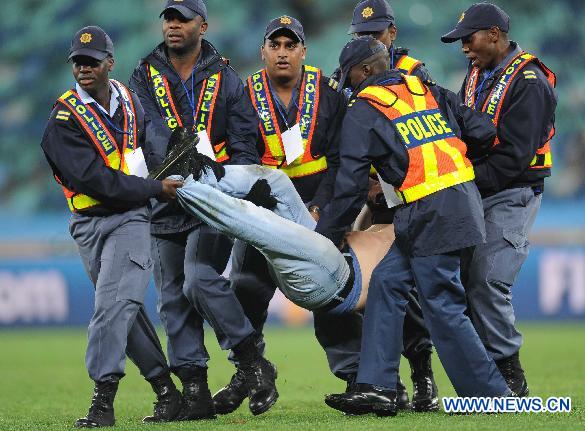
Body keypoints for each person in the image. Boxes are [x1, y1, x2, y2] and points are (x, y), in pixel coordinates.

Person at [316, 36, 512, 416]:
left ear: (369, 70)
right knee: (388, 283)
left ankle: (491, 396)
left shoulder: (363, 108)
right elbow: (484, 131)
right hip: (454, 202)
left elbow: (351, 185)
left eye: (352, 77)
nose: (350, 86)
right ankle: (378, 387)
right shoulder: (425, 89)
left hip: (429, 211)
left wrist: (326, 236)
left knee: (442, 304)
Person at [129, 0, 277, 418]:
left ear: (203, 25)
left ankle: (252, 362)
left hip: (211, 200)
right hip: (166, 195)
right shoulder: (143, 75)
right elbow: (146, 129)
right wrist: (177, 166)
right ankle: (194, 391)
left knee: (197, 280)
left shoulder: (227, 78)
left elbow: (245, 139)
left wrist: (230, 181)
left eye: (182, 19)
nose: (173, 26)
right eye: (168, 19)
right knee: (172, 300)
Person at [214, 15, 365, 414]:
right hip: (264, 203)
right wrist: (266, 206)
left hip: (321, 204)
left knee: (331, 293)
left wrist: (322, 211)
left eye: (290, 45)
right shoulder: (245, 94)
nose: (282, 53)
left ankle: (357, 377)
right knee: (246, 288)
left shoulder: (329, 92)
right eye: (275, 45)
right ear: (264, 50)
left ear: (303, 50)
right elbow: (243, 154)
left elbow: (340, 161)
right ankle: (248, 372)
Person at [40, 26, 184, 427]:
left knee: (112, 306)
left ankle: (102, 401)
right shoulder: (62, 121)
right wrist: (158, 187)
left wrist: (178, 156)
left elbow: (149, 145)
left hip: (132, 218)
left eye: (91, 61)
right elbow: (96, 181)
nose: (83, 68)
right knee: (126, 311)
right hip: (89, 224)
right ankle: (166, 393)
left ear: (109, 63)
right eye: (77, 62)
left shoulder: (130, 101)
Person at [441, 2, 557, 396]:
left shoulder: (529, 82)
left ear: (494, 34)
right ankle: (484, 374)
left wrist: (462, 182)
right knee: (462, 281)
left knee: (489, 280)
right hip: (478, 190)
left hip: (511, 193)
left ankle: (511, 375)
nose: (463, 49)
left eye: (468, 39)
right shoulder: (477, 75)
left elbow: (513, 158)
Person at [346, 0, 438, 410]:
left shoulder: (416, 75)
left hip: (409, 196)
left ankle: (421, 373)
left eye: (376, 33)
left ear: (392, 34)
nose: (368, 40)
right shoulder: (348, 74)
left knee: (403, 288)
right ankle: (386, 382)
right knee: (373, 286)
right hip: (375, 198)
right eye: (361, 35)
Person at [174, 163, 395, 316]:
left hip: (336, 283)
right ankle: (199, 171)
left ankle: (181, 186)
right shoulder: (379, 217)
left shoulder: (420, 224)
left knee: (259, 222)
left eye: (378, 181)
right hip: (326, 258)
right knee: (277, 181)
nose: (375, 183)